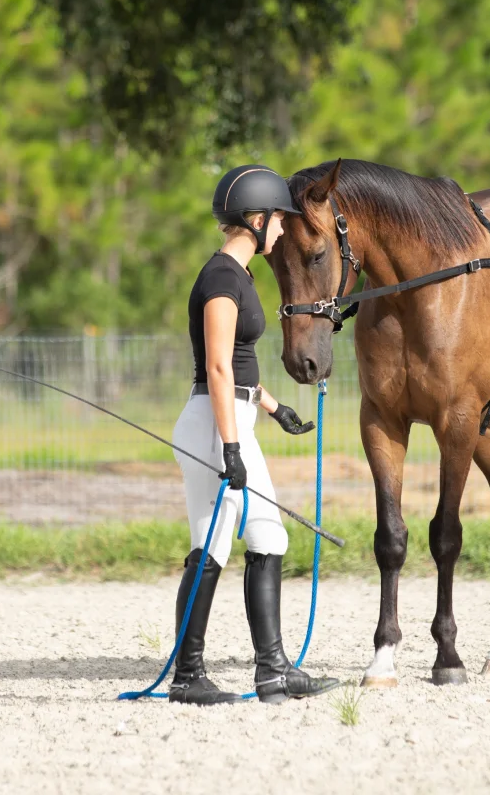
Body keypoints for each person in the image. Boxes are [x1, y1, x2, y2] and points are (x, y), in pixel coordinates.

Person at [166, 164, 342, 705]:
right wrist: (233, 445)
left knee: (269, 536)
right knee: (212, 545)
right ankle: (187, 676)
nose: (286, 231)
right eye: (280, 222)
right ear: (257, 218)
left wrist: (273, 406)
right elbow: (217, 367)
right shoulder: (221, 279)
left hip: (234, 419)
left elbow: (239, 368)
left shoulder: (237, 276)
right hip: (214, 428)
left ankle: (273, 671)